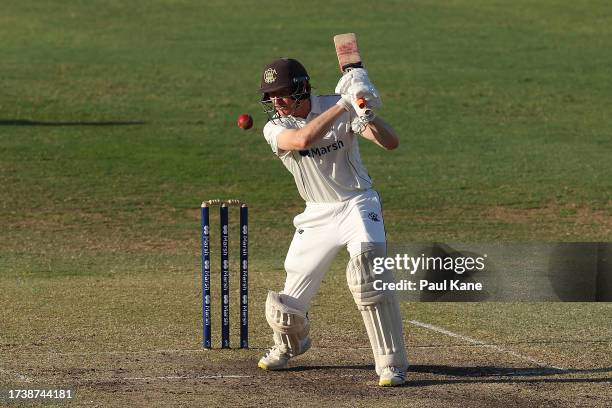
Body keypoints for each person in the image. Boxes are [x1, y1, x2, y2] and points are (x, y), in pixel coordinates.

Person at [257, 57, 409, 386]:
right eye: (271, 97)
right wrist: (345, 104)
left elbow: (391, 142)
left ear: (300, 88)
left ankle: (390, 364)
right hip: (316, 213)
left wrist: (367, 115)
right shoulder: (276, 127)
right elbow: (302, 141)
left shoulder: (342, 107)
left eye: (282, 94)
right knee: (284, 308)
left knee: (370, 274)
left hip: (357, 202)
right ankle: (288, 345)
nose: (276, 103)